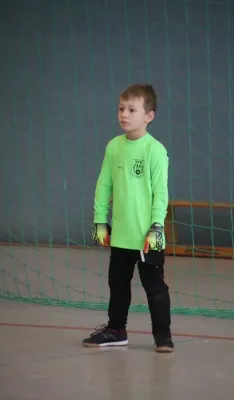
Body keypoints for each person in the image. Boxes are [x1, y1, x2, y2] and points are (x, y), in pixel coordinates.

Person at [82, 83, 174, 353]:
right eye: (121, 108)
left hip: (147, 237)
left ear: (149, 116)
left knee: (154, 287)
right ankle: (116, 330)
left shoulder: (155, 151)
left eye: (131, 109)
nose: (124, 114)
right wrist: (100, 221)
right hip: (121, 235)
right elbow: (103, 185)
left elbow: (161, 193)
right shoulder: (113, 147)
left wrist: (156, 226)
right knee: (117, 284)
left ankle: (163, 336)